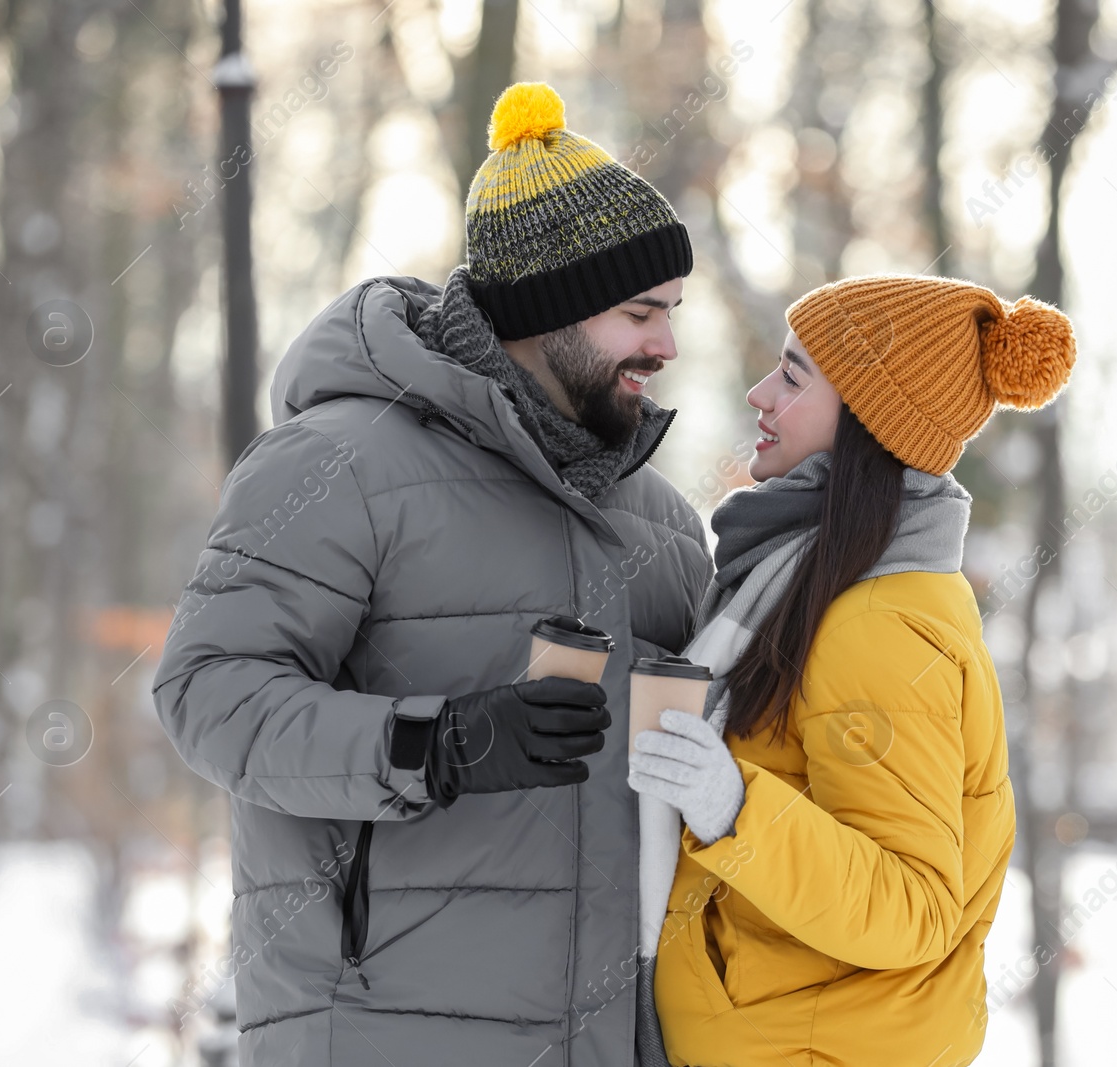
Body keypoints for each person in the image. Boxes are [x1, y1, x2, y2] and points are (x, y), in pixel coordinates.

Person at [153, 82, 712, 1066]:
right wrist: (438, 741)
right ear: (549, 312)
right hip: (378, 1031)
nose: (666, 344)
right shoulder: (338, 463)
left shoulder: (660, 522)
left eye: (671, 311)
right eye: (640, 312)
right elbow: (209, 695)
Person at [627, 273, 1077, 1066]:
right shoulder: (820, 584)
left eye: (794, 375)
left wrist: (734, 808)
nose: (762, 393)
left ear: (869, 420)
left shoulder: (876, 623)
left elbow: (916, 906)